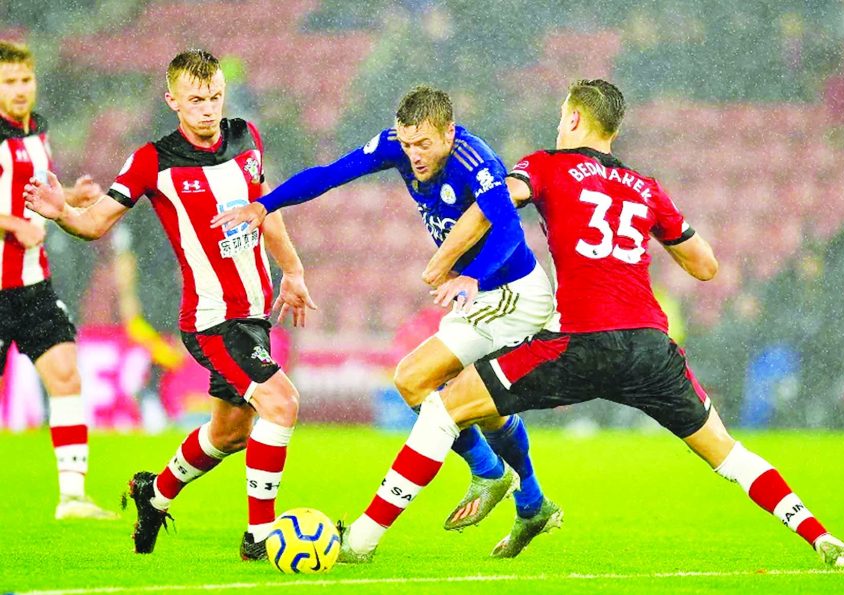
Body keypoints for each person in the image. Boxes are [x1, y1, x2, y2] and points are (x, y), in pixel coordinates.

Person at [336, 79, 844, 569]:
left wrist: (447, 264)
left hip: (579, 342)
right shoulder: (646, 187)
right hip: (651, 347)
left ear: (574, 118)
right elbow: (706, 267)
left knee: (443, 405)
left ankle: (361, 540)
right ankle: (825, 540)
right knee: (727, 452)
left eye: (561, 115)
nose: (558, 123)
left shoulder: (547, 164)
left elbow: (493, 202)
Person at [212, 85, 558, 548]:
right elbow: (331, 174)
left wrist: (472, 277)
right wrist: (264, 205)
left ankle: (400, 520)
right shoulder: (398, 146)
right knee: (433, 390)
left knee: (428, 385)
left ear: (449, 133)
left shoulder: (477, 163)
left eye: (424, 145)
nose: (414, 155)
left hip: (513, 293)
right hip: (477, 297)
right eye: (407, 143)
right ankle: (526, 500)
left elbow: (510, 233)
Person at [23, 49, 314, 561]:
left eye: (215, 97)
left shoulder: (247, 137)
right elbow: (94, 225)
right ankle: (260, 536)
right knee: (281, 403)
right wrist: (61, 211)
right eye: (196, 100)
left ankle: (152, 495)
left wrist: (291, 270)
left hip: (254, 314)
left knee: (229, 433)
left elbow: (265, 211)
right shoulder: (152, 161)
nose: (208, 109)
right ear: (172, 100)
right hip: (212, 320)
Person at [0, 40, 116, 520]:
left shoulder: (36, 132)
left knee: (66, 374)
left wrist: (69, 197)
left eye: (25, 79)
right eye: (9, 82)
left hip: (33, 286)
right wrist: (11, 225)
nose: (20, 89)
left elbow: (23, 189)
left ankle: (72, 498)